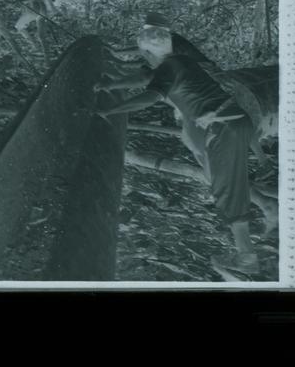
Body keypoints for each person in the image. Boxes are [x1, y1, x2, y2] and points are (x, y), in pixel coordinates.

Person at [95, 24, 262, 277]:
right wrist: (110, 87)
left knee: (228, 189)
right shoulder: (180, 62)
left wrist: (110, 111)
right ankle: (245, 245)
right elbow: (145, 80)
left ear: (148, 53)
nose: (143, 58)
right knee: (223, 184)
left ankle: (246, 258)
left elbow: (149, 96)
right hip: (232, 121)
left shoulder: (168, 68)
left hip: (224, 128)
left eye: (143, 54)